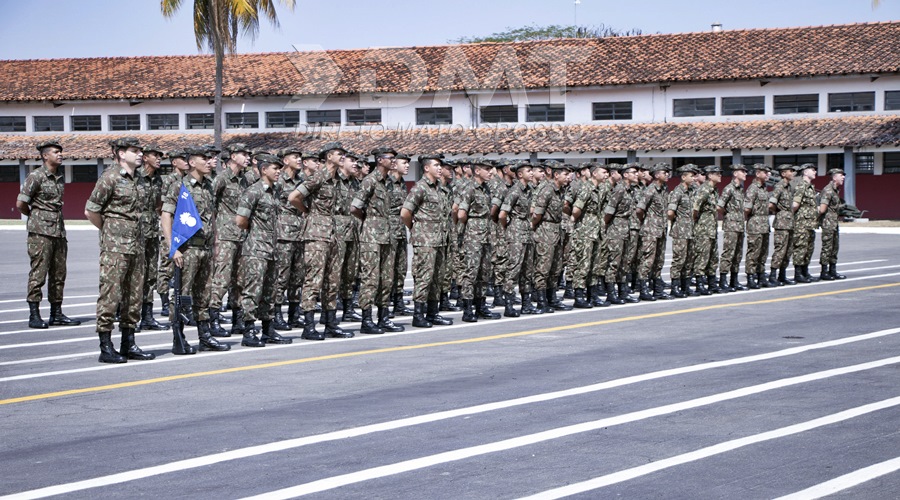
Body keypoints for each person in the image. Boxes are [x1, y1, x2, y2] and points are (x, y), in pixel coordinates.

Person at [84, 137, 153, 363]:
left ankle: (128, 343)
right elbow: (91, 211)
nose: (140, 154)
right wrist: (109, 231)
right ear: (121, 154)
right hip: (115, 247)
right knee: (111, 295)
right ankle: (106, 345)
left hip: (137, 245)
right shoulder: (110, 178)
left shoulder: (141, 180)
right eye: (134, 151)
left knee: (134, 295)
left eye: (140, 150)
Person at [161, 147, 230, 352]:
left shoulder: (208, 186)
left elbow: (211, 217)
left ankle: (205, 335)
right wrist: (173, 248)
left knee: (204, 294)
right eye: (205, 158)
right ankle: (178, 336)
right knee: (183, 294)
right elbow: (166, 216)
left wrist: (215, 244)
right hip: (187, 249)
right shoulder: (179, 186)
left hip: (206, 249)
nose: (210, 162)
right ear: (192, 162)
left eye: (211, 159)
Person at [17, 140, 80, 329]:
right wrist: (36, 217)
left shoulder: (58, 177)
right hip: (40, 233)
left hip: (59, 232)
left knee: (59, 273)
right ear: (45, 156)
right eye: (55, 152)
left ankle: (56, 313)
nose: (60, 154)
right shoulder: (36, 176)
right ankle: (34, 314)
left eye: (61, 152)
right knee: (39, 273)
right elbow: (21, 203)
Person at [234, 154, 295, 346]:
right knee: (253, 290)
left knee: (270, 290)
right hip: (256, 248)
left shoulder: (275, 191)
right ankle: (249, 331)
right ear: (263, 170)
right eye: (275, 168)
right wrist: (257, 234)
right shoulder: (253, 192)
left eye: (279, 168)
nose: (278, 172)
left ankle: (268, 329)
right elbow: (240, 220)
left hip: (272, 248)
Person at [289, 142, 346, 340]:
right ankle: (309, 326)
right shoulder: (318, 177)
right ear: (329, 156)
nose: (343, 157)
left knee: (332, 280)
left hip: (333, 234)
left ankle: (330, 323)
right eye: (339, 154)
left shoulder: (337, 179)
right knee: (313, 280)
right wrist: (308, 212)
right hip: (316, 235)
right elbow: (294, 196)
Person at [351, 147, 404, 333]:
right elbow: (355, 207)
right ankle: (367, 320)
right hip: (372, 235)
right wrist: (370, 219)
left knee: (387, 278)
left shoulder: (389, 182)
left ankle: (384, 318)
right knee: (370, 278)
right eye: (391, 158)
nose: (393, 162)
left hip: (388, 234)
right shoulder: (369, 181)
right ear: (380, 160)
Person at [400, 154, 454, 328]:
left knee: (437, 278)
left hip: (440, 240)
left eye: (440, 166)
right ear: (426, 168)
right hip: (425, 241)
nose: (440, 168)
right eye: (436, 165)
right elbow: (405, 213)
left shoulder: (439, 189)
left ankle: (433, 313)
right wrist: (416, 229)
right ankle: (418, 314)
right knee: (424, 277)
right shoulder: (420, 188)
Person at [210, 143, 251, 336]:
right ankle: (213, 319)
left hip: (242, 235)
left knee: (240, 280)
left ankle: (238, 319)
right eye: (243, 154)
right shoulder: (221, 178)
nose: (247, 157)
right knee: (222, 279)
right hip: (225, 236)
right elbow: (210, 205)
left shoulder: (245, 180)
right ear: (233, 156)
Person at [456, 159, 501, 322]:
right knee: (471, 272)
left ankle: (481, 306)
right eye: (487, 169)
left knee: (484, 272)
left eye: (491, 169)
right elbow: (461, 214)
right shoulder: (469, 188)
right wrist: (472, 227)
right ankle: (468, 309)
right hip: (473, 236)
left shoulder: (486, 189)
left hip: (486, 235)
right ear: (477, 171)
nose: (490, 172)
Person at [272, 146, 306, 330]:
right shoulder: (278, 182)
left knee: (297, 276)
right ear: (285, 160)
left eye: (300, 157)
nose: (299, 160)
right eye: (295, 157)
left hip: (300, 233)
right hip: (283, 235)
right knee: (281, 276)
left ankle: (294, 314)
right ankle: (276, 313)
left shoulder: (302, 181)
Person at [135, 144, 168, 332]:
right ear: (145, 157)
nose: (158, 158)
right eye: (155, 155)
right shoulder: (135, 177)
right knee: (134, 275)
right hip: (135, 234)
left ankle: (147, 316)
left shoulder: (157, 180)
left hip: (152, 233)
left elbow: (158, 206)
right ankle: (130, 316)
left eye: (160, 155)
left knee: (150, 276)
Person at [531, 162, 571, 313]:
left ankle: (552, 297)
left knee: (556, 267)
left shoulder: (560, 191)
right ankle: (541, 300)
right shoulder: (547, 190)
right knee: (543, 267)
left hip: (557, 230)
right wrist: (535, 228)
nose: (568, 177)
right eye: (565, 174)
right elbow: (536, 214)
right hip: (545, 230)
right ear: (556, 175)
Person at [499, 162, 538, 315]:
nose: (532, 173)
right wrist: (509, 227)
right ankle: (509, 305)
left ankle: (526, 304)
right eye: (529, 171)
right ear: (520, 174)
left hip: (527, 233)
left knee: (527, 270)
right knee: (513, 269)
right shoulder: (514, 191)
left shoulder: (529, 190)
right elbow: (502, 214)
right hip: (516, 234)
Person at [569, 163, 608, 308]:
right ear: (594, 174)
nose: (606, 175)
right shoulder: (586, 188)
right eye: (603, 172)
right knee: (583, 264)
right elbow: (576, 209)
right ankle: (579, 296)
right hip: (585, 231)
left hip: (596, 231)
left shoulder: (600, 189)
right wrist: (581, 223)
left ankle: (592, 295)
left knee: (595, 265)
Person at [157, 149, 190, 318]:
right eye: (182, 158)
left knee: (184, 269)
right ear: (174, 162)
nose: (186, 161)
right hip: (171, 227)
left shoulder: (188, 180)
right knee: (166, 267)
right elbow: (163, 206)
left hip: (184, 229)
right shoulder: (169, 180)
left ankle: (183, 305)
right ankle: (164, 302)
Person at [636, 162, 671, 301]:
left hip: (661, 230)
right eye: (665, 172)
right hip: (651, 230)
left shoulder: (663, 189)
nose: (667, 174)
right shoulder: (650, 190)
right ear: (657, 175)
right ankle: (644, 289)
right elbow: (639, 209)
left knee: (659, 260)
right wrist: (647, 222)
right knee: (647, 260)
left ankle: (657, 289)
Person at [605, 163, 640, 304]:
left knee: (625, 263)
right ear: (625, 175)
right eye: (633, 172)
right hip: (616, 229)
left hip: (627, 228)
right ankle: (611, 293)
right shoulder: (619, 190)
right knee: (614, 262)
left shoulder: (630, 190)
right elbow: (608, 212)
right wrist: (609, 227)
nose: (637, 174)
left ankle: (622, 292)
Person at [388, 153, 414, 317]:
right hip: (387, 231)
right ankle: (385, 305)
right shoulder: (386, 183)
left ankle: (398, 303)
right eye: (403, 163)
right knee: (387, 270)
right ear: (394, 164)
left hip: (400, 230)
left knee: (400, 268)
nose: (407, 166)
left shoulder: (401, 184)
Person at [691, 165, 722, 295]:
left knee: (713, 257)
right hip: (703, 228)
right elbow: (694, 209)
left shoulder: (713, 190)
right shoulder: (704, 190)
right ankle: (699, 284)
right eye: (717, 173)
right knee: (702, 257)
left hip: (712, 228)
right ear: (710, 175)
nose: (720, 175)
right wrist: (697, 224)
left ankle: (712, 283)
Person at [717, 164, 748, 292]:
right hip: (731, 225)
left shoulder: (740, 189)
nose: (745, 173)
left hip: (740, 225)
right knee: (728, 253)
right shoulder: (729, 189)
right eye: (743, 171)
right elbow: (719, 206)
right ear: (735, 174)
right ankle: (723, 280)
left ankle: (734, 281)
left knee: (737, 254)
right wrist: (728, 215)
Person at [667, 165, 696, 298]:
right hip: (680, 230)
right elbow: (670, 212)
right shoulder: (677, 192)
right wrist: (678, 223)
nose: (694, 178)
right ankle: (675, 287)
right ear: (684, 177)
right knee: (679, 259)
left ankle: (686, 286)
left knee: (689, 259)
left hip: (690, 230)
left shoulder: (691, 191)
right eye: (691, 175)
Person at [768, 164, 797, 286]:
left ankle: (782, 275)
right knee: (780, 249)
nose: (792, 173)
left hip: (790, 223)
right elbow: (771, 204)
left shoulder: (789, 187)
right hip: (781, 223)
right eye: (790, 171)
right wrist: (780, 212)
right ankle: (773, 275)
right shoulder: (779, 186)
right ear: (783, 174)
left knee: (788, 250)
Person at [744, 164, 772, 289]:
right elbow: (746, 208)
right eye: (765, 172)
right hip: (755, 224)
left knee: (763, 252)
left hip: (764, 224)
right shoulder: (753, 188)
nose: (768, 175)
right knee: (753, 252)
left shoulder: (764, 188)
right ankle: (751, 277)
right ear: (758, 174)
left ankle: (761, 276)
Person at [791, 163, 820, 283]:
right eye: (812, 170)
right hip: (801, 224)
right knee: (800, 248)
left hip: (810, 224)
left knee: (808, 249)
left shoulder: (810, 187)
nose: (815, 172)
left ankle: (805, 271)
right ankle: (798, 274)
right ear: (805, 172)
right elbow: (795, 205)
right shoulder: (801, 186)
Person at [819, 168, 847, 280]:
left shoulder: (835, 190)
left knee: (834, 247)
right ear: (835, 177)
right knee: (827, 247)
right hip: (828, 223)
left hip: (834, 223)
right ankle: (824, 271)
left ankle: (832, 270)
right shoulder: (828, 190)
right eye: (841, 175)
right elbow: (822, 209)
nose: (843, 177)